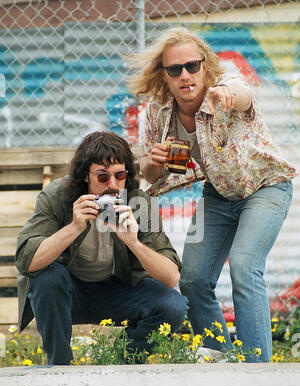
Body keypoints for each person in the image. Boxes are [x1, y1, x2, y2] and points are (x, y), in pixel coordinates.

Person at [127, 27, 297, 362]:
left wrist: (232, 94)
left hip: (265, 188)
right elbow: (149, 174)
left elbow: (243, 92)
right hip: (219, 196)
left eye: (193, 66)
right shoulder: (159, 114)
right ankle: (223, 359)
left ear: (206, 66)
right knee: (192, 279)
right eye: (175, 69)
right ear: (164, 75)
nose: (185, 75)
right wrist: (153, 160)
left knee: (245, 268)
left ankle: (256, 369)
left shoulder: (224, 92)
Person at [15, 131, 187, 365]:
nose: (113, 185)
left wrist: (133, 242)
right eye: (103, 176)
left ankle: (121, 363)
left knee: (174, 306)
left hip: (117, 293)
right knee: (46, 277)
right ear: (86, 176)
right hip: (68, 293)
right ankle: (60, 368)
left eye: (120, 175)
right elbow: (27, 261)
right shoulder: (58, 196)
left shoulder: (138, 203)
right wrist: (74, 227)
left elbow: (171, 277)